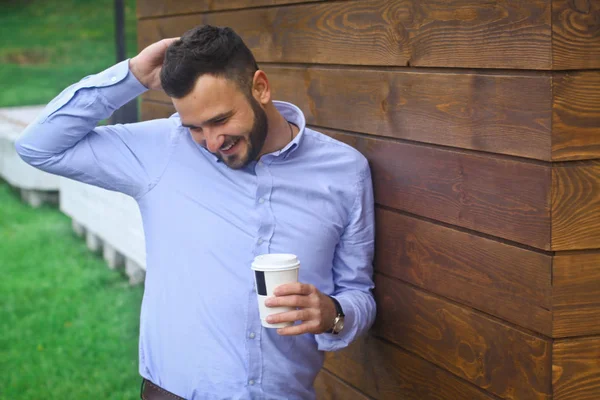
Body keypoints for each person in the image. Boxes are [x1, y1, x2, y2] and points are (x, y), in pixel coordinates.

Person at [16, 25, 375, 400]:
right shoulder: (162, 151)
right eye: (195, 128)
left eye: (220, 120)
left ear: (260, 88)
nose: (213, 142)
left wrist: (333, 313)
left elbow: (358, 293)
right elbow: (40, 146)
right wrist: (133, 76)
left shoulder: (345, 172)